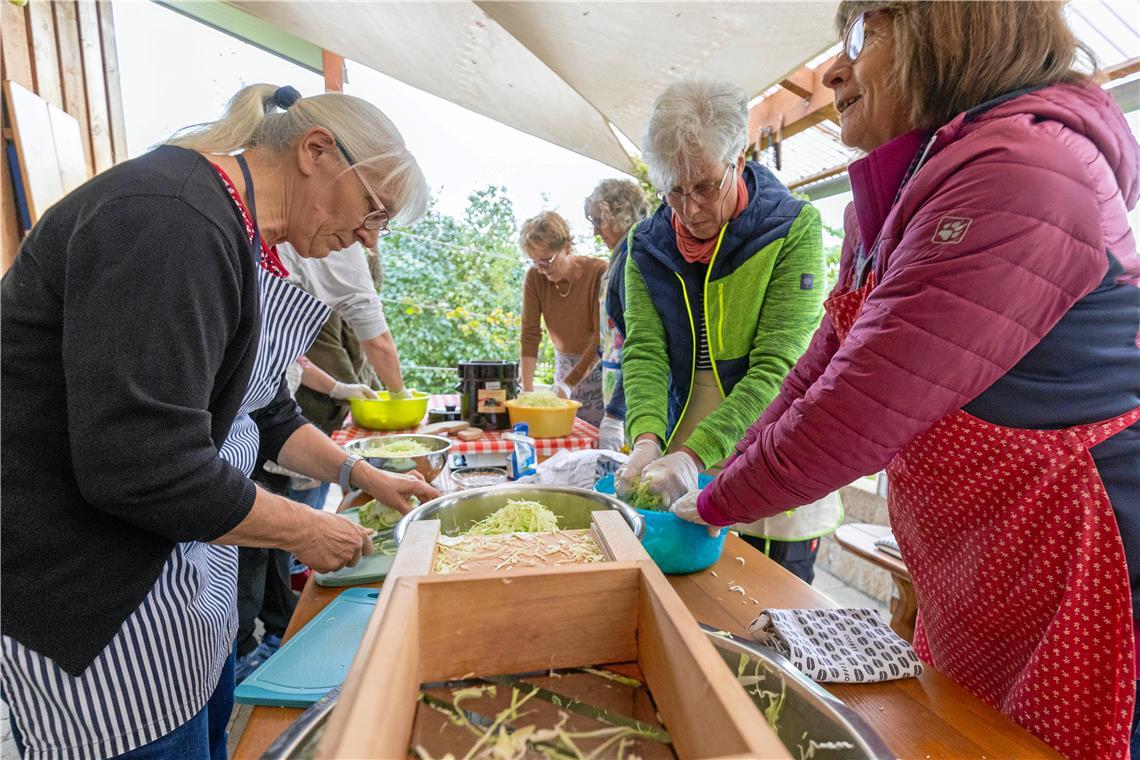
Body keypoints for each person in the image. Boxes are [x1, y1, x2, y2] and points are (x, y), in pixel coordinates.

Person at [671, 4, 1140, 757]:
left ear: (950, 27)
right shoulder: (899, 192)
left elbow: (856, 409)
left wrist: (707, 505)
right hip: (983, 558)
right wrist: (706, 464)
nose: (831, 72)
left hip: (1078, 555)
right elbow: (817, 373)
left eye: (862, 35)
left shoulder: (1024, 172)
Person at [0, 83, 439, 758]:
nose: (367, 237)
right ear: (316, 152)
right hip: (98, 606)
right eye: (372, 210)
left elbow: (263, 406)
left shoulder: (238, 233)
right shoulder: (168, 218)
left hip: (184, 592)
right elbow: (141, 465)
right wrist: (306, 529)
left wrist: (360, 473)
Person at [616, 77, 841, 582]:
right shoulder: (646, 245)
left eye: (704, 186)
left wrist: (695, 453)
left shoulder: (791, 228)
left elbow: (779, 368)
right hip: (678, 459)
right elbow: (645, 353)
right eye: (673, 191)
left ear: (739, 160)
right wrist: (648, 438)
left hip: (773, 446)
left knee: (766, 612)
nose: (690, 209)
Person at [518, 211, 608, 426]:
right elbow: (530, 334)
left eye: (546, 261)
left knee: (595, 442)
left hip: (599, 369)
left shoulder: (599, 272)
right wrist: (528, 391)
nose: (540, 270)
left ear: (567, 247)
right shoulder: (535, 277)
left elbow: (601, 338)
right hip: (564, 367)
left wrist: (569, 384)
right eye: (534, 262)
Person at [583, 179, 650, 451]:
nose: (596, 231)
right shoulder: (619, 257)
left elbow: (638, 341)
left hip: (633, 394)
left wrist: (615, 413)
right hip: (616, 387)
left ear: (621, 215)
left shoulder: (634, 258)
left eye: (600, 221)